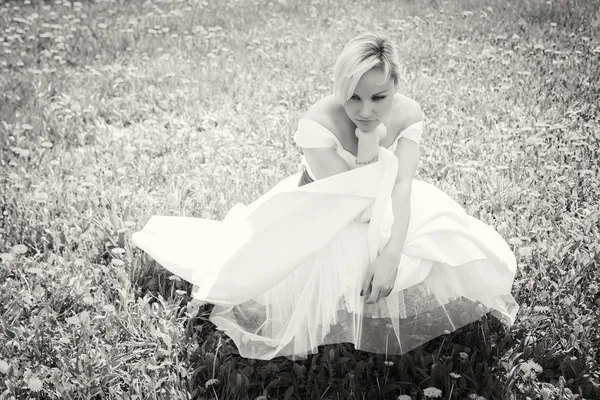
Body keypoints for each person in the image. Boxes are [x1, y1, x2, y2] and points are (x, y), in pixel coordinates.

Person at [132, 33, 519, 361]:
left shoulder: (408, 114)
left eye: (379, 98)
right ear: (339, 91)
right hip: (324, 208)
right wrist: (369, 143)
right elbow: (359, 205)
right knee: (279, 264)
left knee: (421, 243)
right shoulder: (317, 124)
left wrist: (392, 255)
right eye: (353, 98)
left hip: (382, 199)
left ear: (397, 86)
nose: (366, 110)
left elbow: (401, 187)